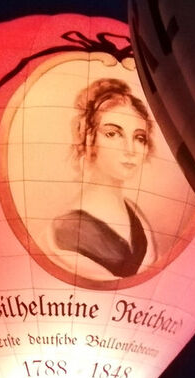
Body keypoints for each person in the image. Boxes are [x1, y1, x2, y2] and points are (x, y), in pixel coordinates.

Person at [41, 78, 158, 281]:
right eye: (112, 134)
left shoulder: (138, 217)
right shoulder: (67, 229)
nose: (130, 150)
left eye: (139, 138)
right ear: (89, 139)